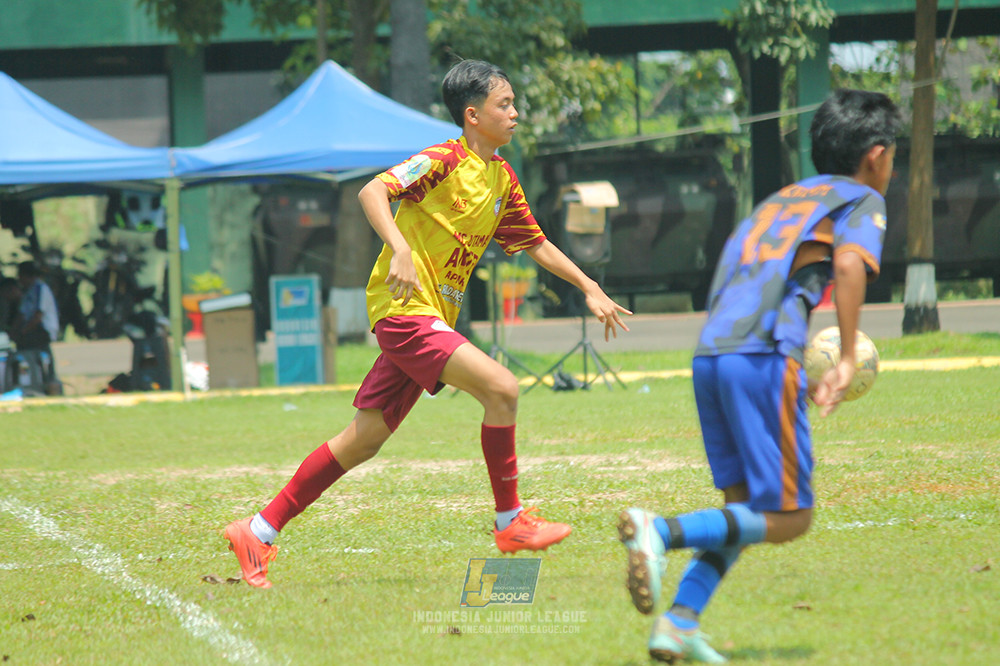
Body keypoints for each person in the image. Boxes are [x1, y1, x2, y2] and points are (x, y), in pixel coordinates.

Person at [225, 59, 632, 588]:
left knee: (364, 438)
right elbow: (373, 191)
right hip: (404, 310)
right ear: (473, 115)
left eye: (513, 104)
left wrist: (590, 287)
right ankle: (511, 523)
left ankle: (258, 530)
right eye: (504, 105)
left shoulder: (502, 177)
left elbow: (535, 242)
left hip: (429, 317)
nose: (515, 113)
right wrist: (398, 249)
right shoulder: (442, 158)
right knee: (502, 388)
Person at [618, 88, 901, 663]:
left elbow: (731, 266)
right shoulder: (862, 198)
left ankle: (678, 623)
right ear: (877, 154)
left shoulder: (782, 201)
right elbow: (849, 264)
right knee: (791, 516)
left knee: (744, 509)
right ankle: (661, 532)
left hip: (711, 353)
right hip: (762, 357)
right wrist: (846, 357)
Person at [12, 260, 61, 394]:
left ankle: (50, 386)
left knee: (44, 361)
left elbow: (38, 315)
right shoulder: (27, 292)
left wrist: (23, 331)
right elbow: (22, 314)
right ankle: (24, 384)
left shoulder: (40, 289)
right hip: (31, 330)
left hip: (42, 331)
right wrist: (13, 332)